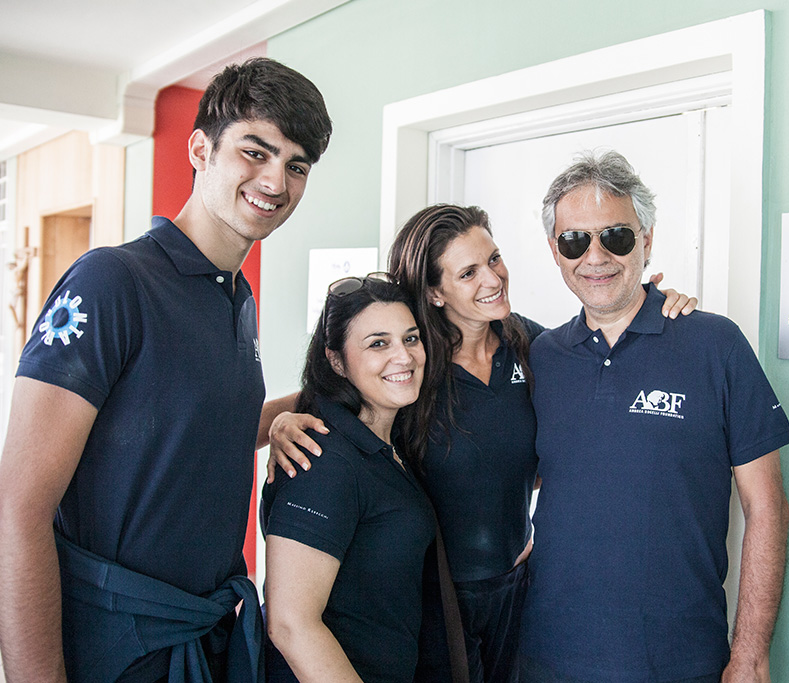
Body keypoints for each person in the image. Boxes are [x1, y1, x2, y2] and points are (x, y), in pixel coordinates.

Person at [0, 58, 331, 682]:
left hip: (205, 636)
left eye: (296, 166)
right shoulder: (111, 282)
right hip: (114, 647)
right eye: (255, 152)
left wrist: (308, 408)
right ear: (200, 149)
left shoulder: (236, 299)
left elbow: (188, 429)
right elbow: (16, 509)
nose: (275, 180)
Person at [268, 205, 696, 683]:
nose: (493, 278)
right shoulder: (413, 363)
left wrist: (649, 306)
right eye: (468, 272)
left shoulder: (529, 344)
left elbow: (601, 373)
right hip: (436, 597)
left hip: (516, 586)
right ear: (435, 292)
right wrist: (282, 422)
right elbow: (335, 392)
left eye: (493, 259)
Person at [518, 151, 789, 683]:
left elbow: (767, 508)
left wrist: (750, 655)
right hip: (546, 655)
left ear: (647, 239)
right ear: (555, 250)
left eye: (616, 236)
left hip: (678, 658)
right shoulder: (542, 355)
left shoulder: (714, 344)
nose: (595, 256)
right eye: (574, 241)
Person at [262, 275, 435, 683]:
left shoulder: (389, 444)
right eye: (378, 344)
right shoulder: (323, 458)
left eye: (410, 339)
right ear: (336, 361)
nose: (403, 356)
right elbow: (290, 624)